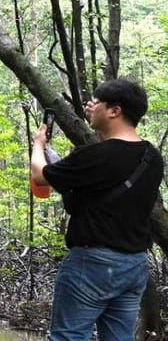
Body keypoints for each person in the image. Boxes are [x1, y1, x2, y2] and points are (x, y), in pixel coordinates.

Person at [30, 78, 164, 341]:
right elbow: (112, 167)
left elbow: (39, 176)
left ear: (114, 110)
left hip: (91, 265)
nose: (91, 106)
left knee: (68, 337)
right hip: (134, 265)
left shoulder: (95, 156)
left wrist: (38, 144)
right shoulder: (152, 157)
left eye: (97, 102)